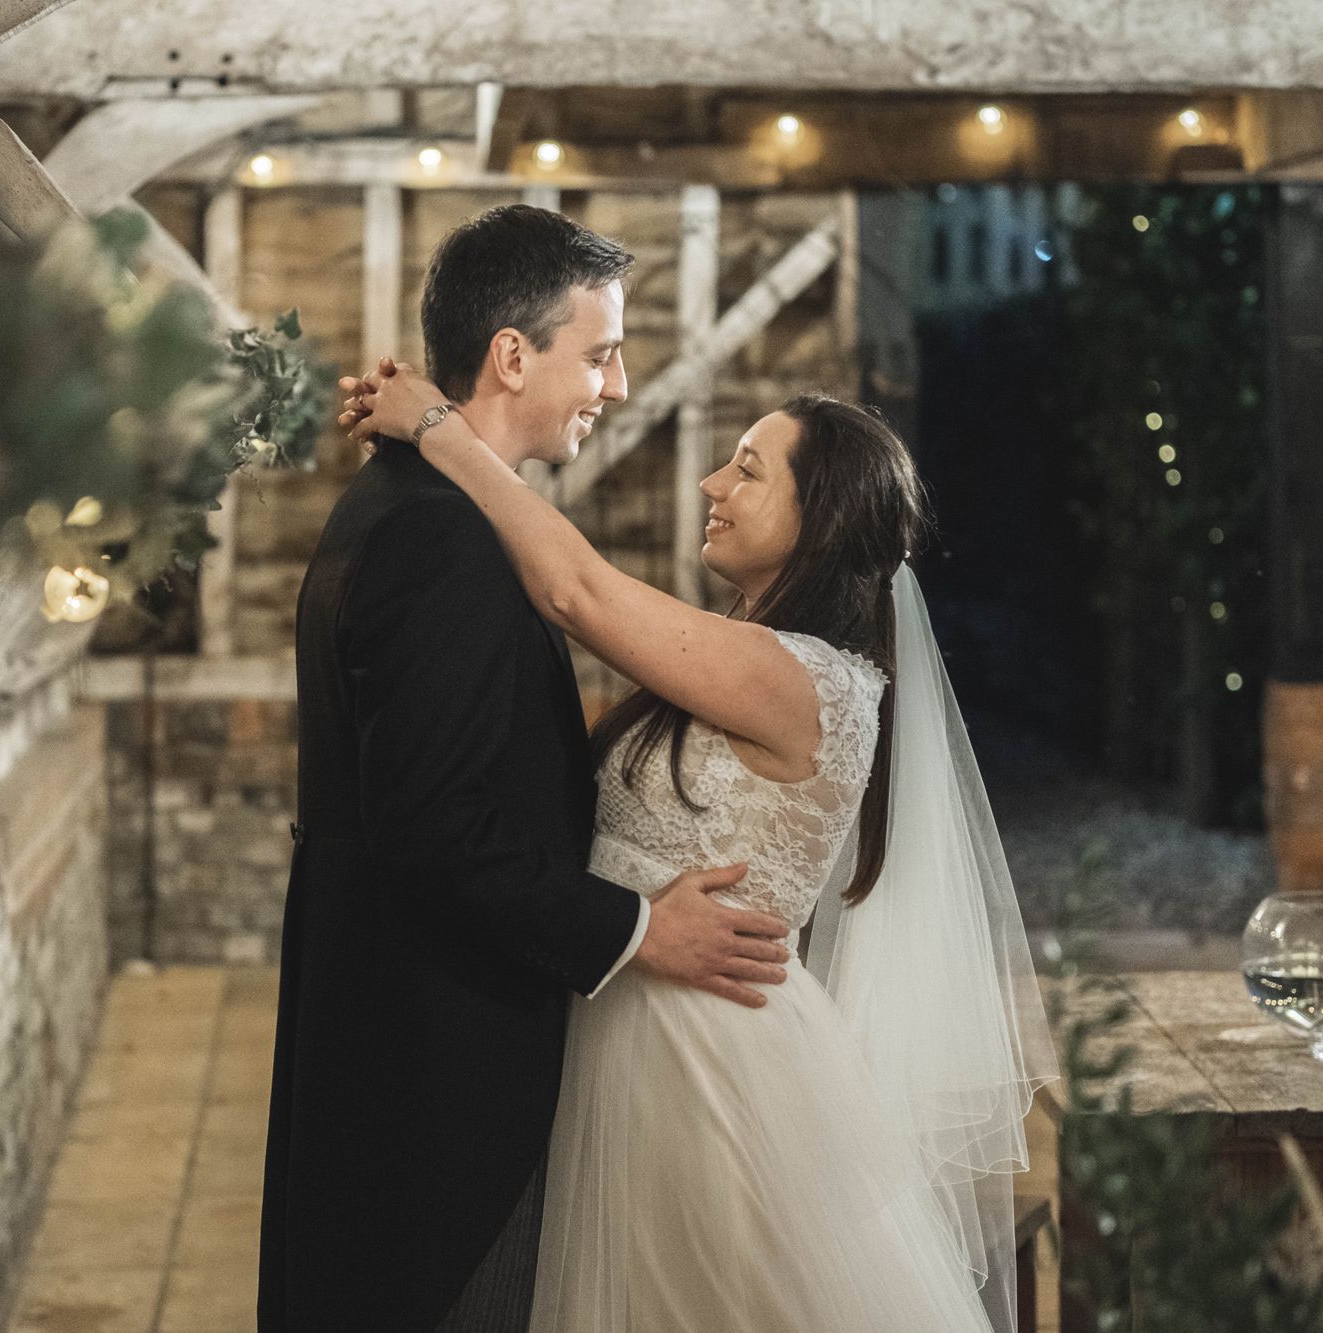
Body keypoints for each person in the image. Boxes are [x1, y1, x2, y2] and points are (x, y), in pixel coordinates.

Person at [343, 353, 1057, 1331]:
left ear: (824, 514)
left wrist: (442, 434)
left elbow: (577, 593)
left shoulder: (806, 678)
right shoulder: (739, 656)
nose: (711, 485)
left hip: (709, 1055)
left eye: (748, 469)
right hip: (636, 1025)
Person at [257, 205, 795, 1333]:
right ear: (513, 353)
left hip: (403, 1026)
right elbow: (435, 832)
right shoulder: (438, 539)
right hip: (434, 1067)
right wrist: (640, 931)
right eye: (597, 352)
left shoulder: (419, 505)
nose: (617, 381)